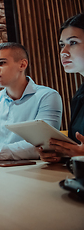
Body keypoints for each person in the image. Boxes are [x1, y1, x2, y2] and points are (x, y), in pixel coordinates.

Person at [38, 12, 84, 162]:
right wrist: (60, 153)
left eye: (73, 43)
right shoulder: (79, 95)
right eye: (62, 45)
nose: (63, 52)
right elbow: (77, 146)